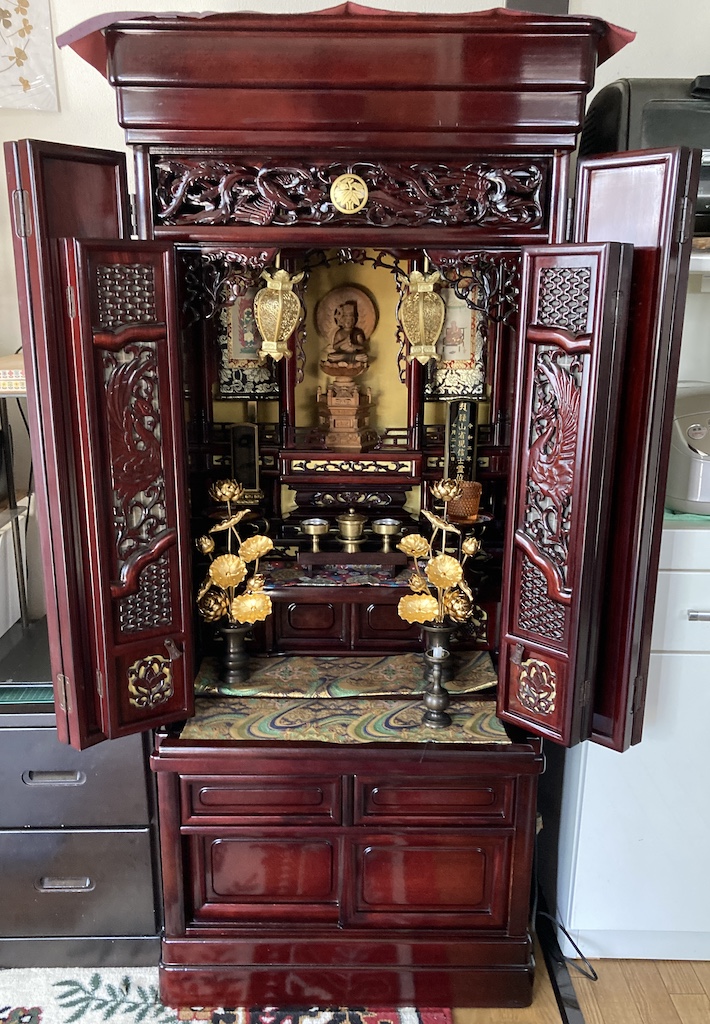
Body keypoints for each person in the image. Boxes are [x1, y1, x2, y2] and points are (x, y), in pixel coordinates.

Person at [322, 300, 369, 365]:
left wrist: (354, 346)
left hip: (354, 355)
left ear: (354, 321)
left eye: (350, 320)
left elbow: (362, 347)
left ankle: (349, 358)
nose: (348, 322)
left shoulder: (357, 332)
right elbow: (335, 347)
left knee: (364, 357)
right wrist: (344, 341)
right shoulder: (339, 333)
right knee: (331, 357)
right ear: (342, 321)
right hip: (341, 355)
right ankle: (348, 358)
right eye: (346, 320)